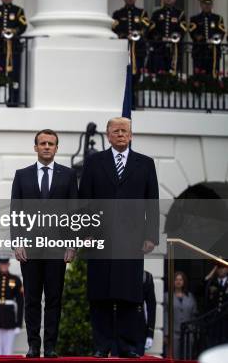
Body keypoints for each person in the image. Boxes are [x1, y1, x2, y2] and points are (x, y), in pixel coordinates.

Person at [79, 117, 159, 358]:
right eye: (116, 131)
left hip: (132, 239)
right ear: (108, 135)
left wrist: (151, 235)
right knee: (100, 293)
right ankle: (102, 345)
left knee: (129, 293)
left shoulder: (145, 164)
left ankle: (127, 346)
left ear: (131, 135)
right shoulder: (94, 162)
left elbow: (152, 203)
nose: (121, 135)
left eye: (125, 131)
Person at [10, 129, 78, 358]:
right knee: (31, 299)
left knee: (54, 298)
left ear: (56, 148)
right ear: (36, 147)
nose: (47, 146)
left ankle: (50, 346)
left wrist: (72, 244)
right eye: (43, 143)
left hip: (57, 248)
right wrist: (17, 242)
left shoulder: (68, 176)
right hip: (29, 247)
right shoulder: (22, 175)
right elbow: (15, 211)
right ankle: (33, 345)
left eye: (51, 143)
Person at [111, 0, 150, 79]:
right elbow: (114, 29)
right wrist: (124, 36)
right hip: (123, 49)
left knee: (137, 75)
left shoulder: (142, 13)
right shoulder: (118, 14)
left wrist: (137, 34)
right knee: (122, 75)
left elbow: (146, 28)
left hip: (138, 49)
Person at [147, 0, 188, 74]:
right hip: (159, 49)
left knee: (174, 74)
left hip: (174, 49)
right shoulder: (157, 13)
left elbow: (183, 29)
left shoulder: (180, 14)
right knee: (159, 73)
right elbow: (151, 30)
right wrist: (159, 38)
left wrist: (175, 37)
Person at [189, 0, 226, 78]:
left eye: (209, 3)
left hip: (213, 52)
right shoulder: (194, 19)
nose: (207, 5)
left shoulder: (218, 18)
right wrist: (200, 39)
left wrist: (214, 39)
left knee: (213, 75)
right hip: (199, 51)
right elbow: (193, 32)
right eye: (205, 3)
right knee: (199, 75)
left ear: (212, 4)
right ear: (201, 4)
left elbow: (221, 31)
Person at [164, 271, 197, 359]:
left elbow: (194, 314)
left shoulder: (190, 296)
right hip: (173, 333)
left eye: (181, 280)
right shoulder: (167, 296)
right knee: (173, 357)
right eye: (176, 280)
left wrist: (193, 331)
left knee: (187, 357)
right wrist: (166, 334)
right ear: (173, 282)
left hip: (188, 333)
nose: (178, 282)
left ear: (184, 282)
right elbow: (165, 315)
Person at [204, 262, 228, 347]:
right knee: (213, 344)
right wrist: (213, 271)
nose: (221, 270)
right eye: (219, 268)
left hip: (226, 321)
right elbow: (202, 286)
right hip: (214, 319)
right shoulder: (212, 282)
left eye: (223, 267)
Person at [138, 270, 156, 356]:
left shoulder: (147, 277)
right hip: (121, 329)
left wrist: (150, 333)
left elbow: (151, 306)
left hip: (140, 327)